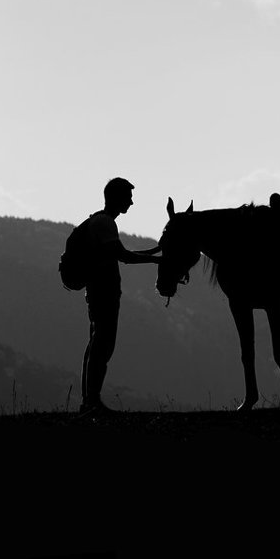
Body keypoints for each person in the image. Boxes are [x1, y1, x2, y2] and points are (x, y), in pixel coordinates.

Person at [79, 177, 161, 416]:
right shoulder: (105, 223)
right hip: (103, 293)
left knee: (98, 345)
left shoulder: (100, 221)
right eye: (128, 197)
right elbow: (123, 256)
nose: (132, 202)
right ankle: (92, 402)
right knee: (101, 347)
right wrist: (157, 259)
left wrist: (154, 253)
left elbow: (120, 253)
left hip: (99, 292)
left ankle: (90, 401)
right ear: (117, 198)